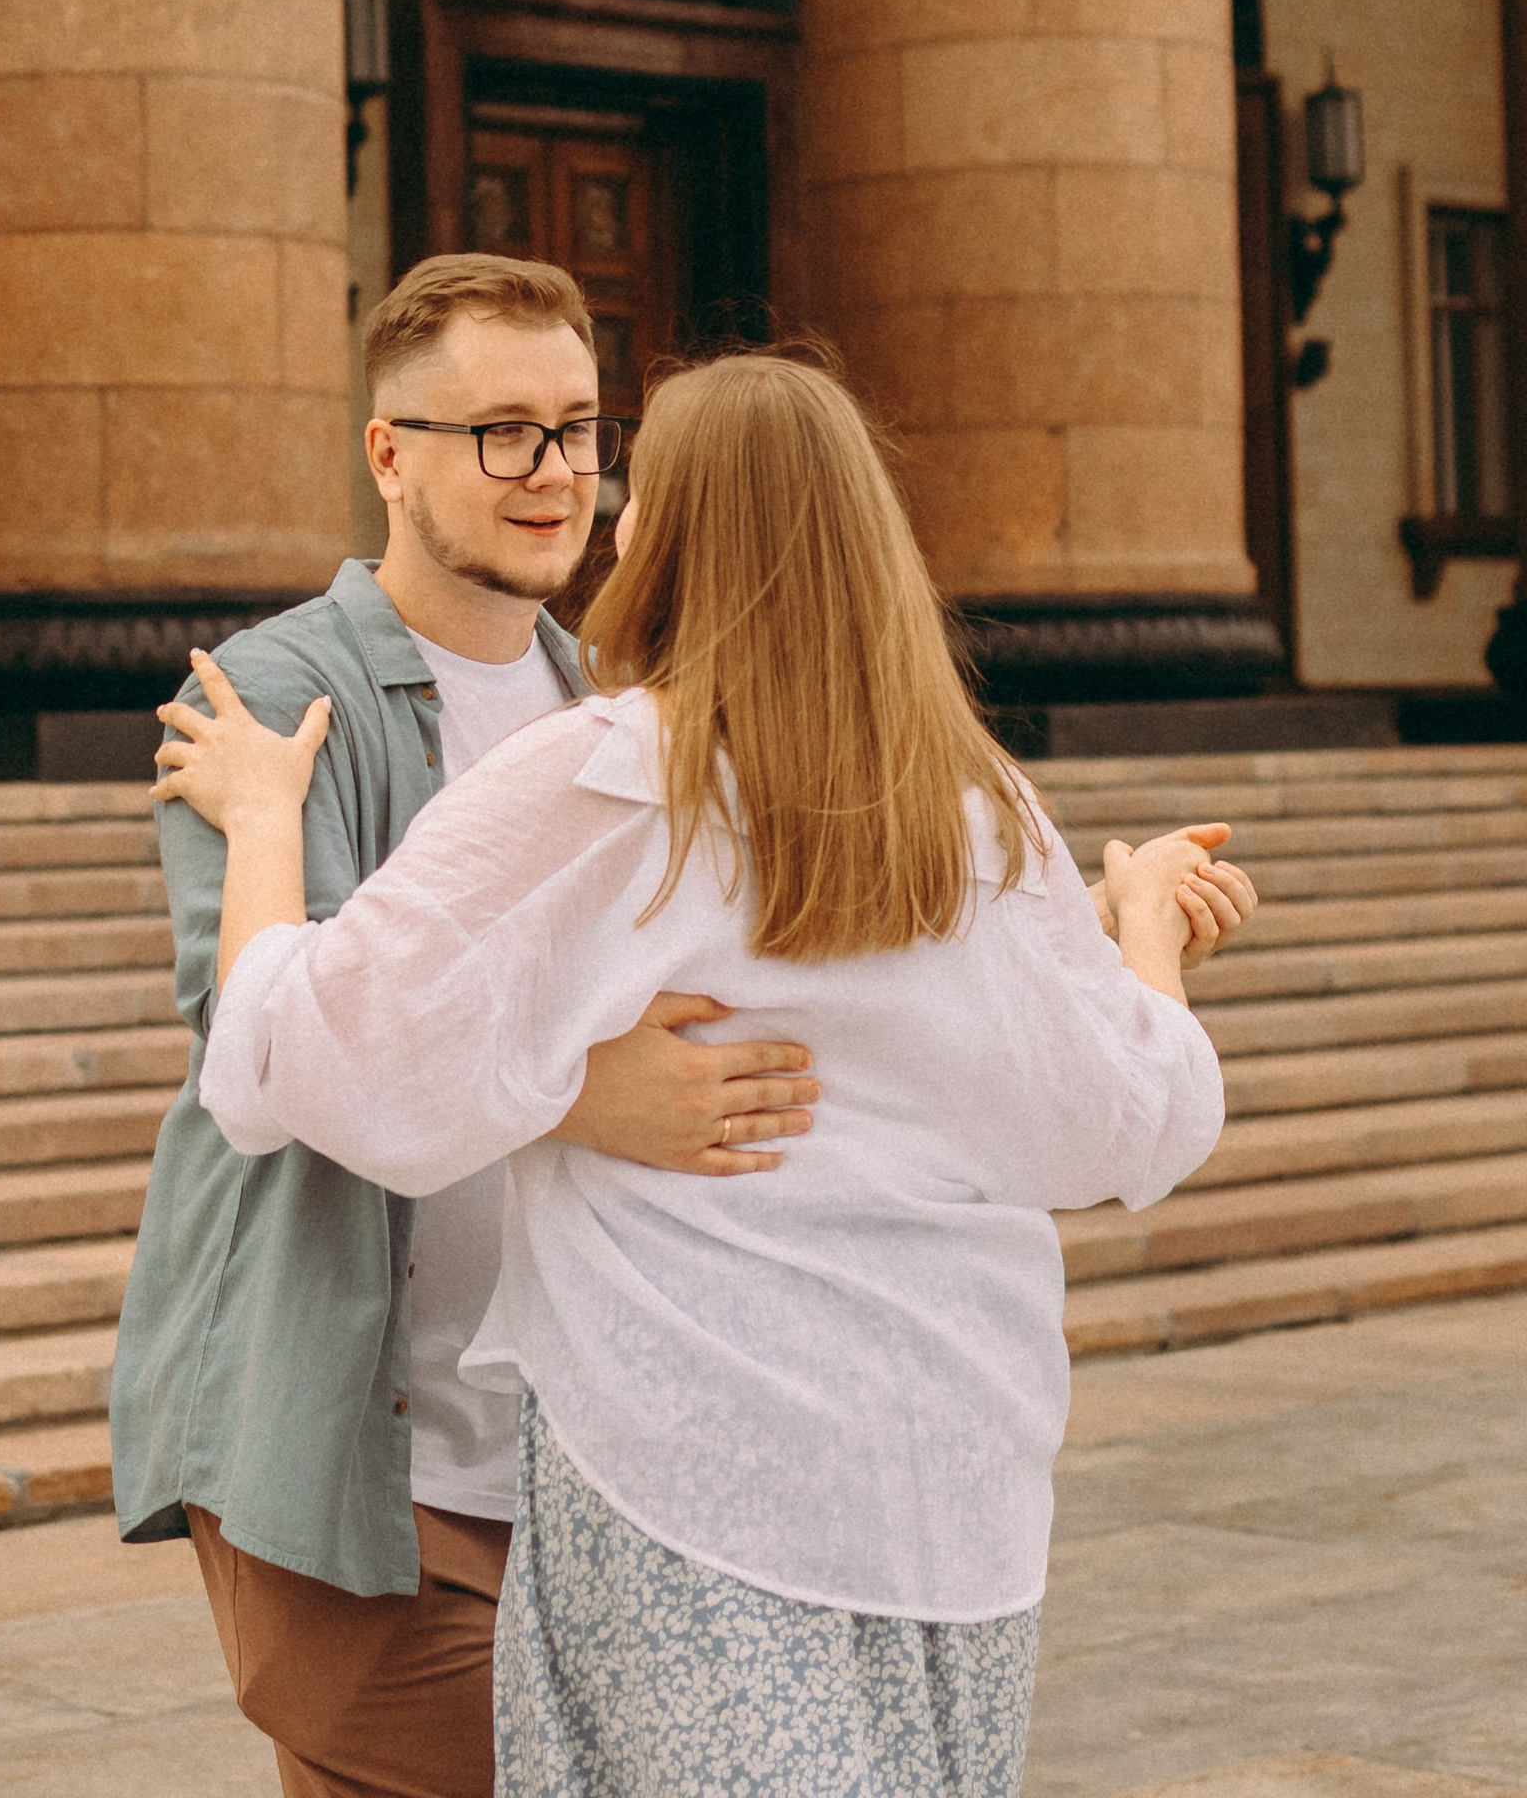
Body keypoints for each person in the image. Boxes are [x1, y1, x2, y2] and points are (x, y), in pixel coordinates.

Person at [158, 349, 1258, 1798]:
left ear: (675, 537)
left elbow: (296, 1058)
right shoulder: (982, 807)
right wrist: (1144, 936)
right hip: (955, 1488)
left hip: (702, 1478)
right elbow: (1139, 1119)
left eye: (635, 489)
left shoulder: (611, 778)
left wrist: (261, 824)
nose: (606, 515)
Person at [109, 254, 827, 1798]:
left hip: (556, 1442)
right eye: (504, 432)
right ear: (390, 452)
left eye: (579, 428)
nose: (556, 473)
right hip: (340, 1430)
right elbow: (276, 1036)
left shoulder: (613, 702)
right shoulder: (274, 695)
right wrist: (585, 1095)